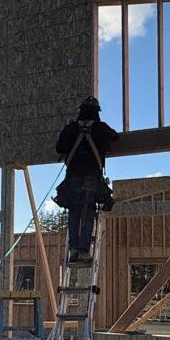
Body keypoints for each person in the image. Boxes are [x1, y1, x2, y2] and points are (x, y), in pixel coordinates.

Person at [54, 96, 119, 262]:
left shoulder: (71, 129)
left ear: (80, 111)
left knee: (75, 210)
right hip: (91, 176)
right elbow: (114, 137)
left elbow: (59, 147)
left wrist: (68, 130)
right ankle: (83, 250)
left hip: (74, 176)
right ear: (97, 112)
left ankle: (74, 248)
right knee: (88, 210)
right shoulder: (99, 128)